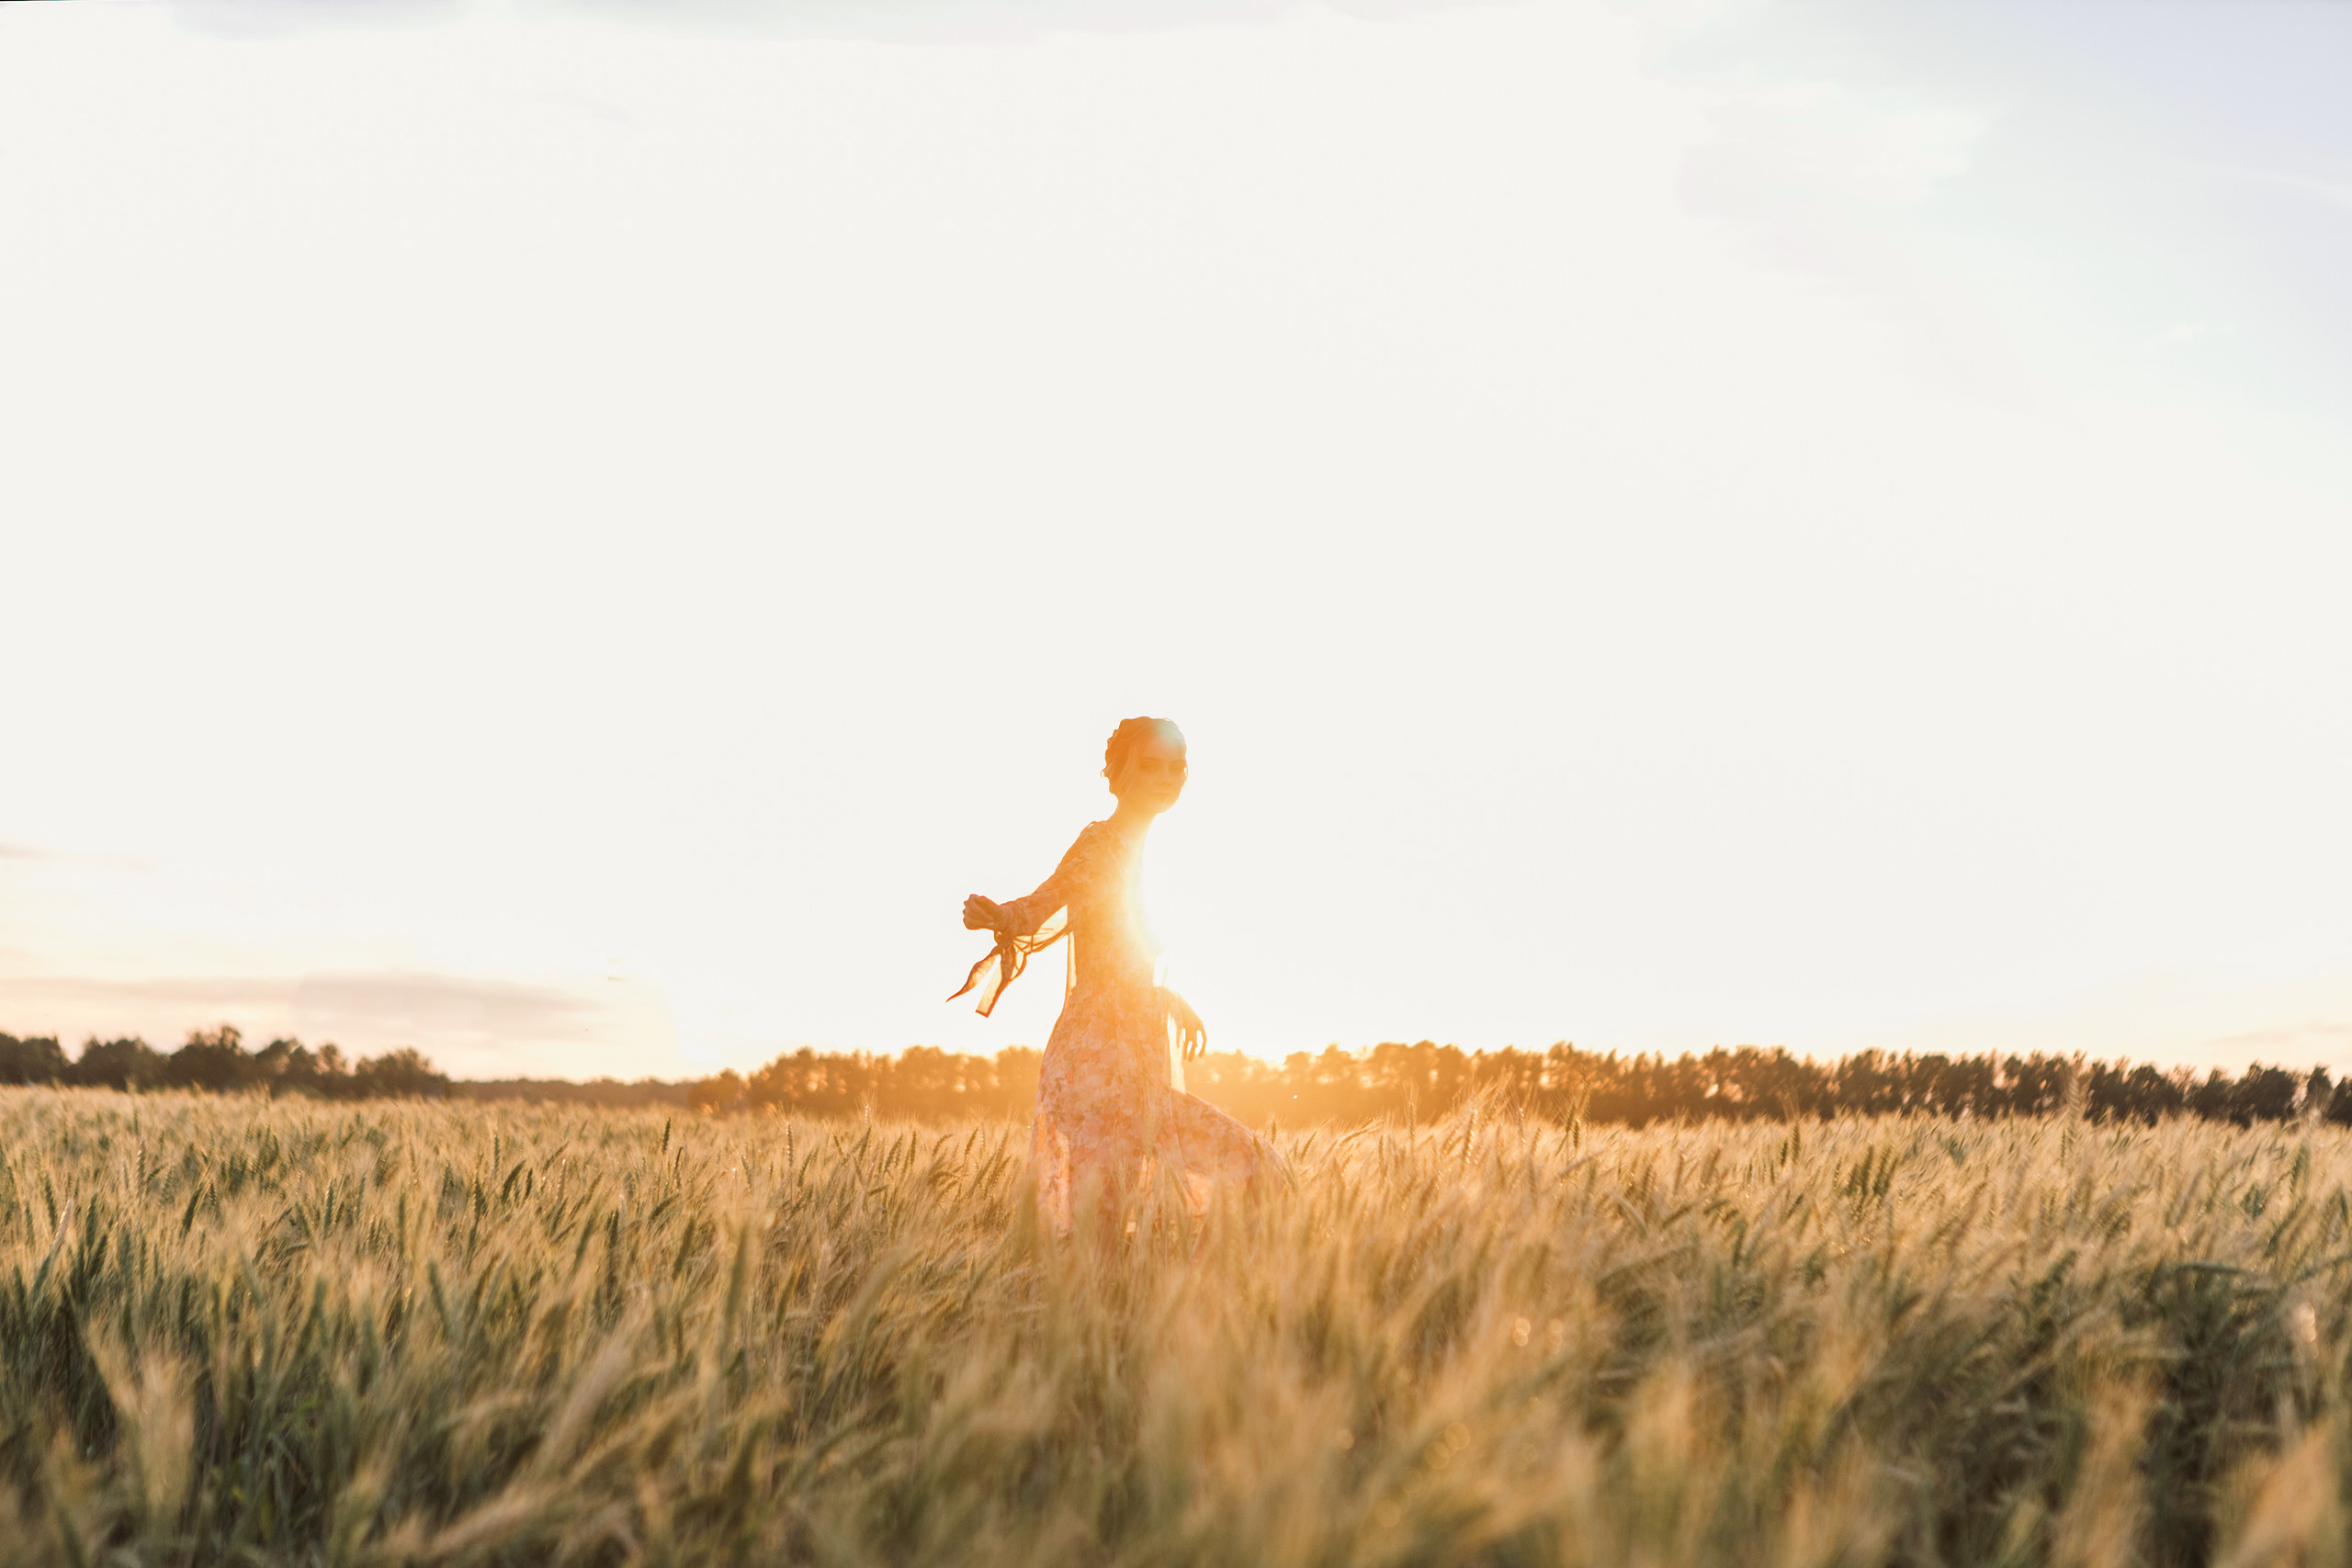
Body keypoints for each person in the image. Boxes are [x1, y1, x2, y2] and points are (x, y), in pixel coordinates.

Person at [952, 716, 1283, 1235]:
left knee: (1124, 1219)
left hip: (1134, 1050)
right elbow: (1051, 897)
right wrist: (1003, 917)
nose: (1167, 776)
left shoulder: (1144, 852)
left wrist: (1168, 998)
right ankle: (1122, 1309)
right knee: (1109, 1223)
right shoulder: (1102, 844)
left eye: (1177, 767)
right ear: (1118, 773)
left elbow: (1121, 950)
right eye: (1150, 765)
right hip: (1098, 1061)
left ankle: (1185, 1303)